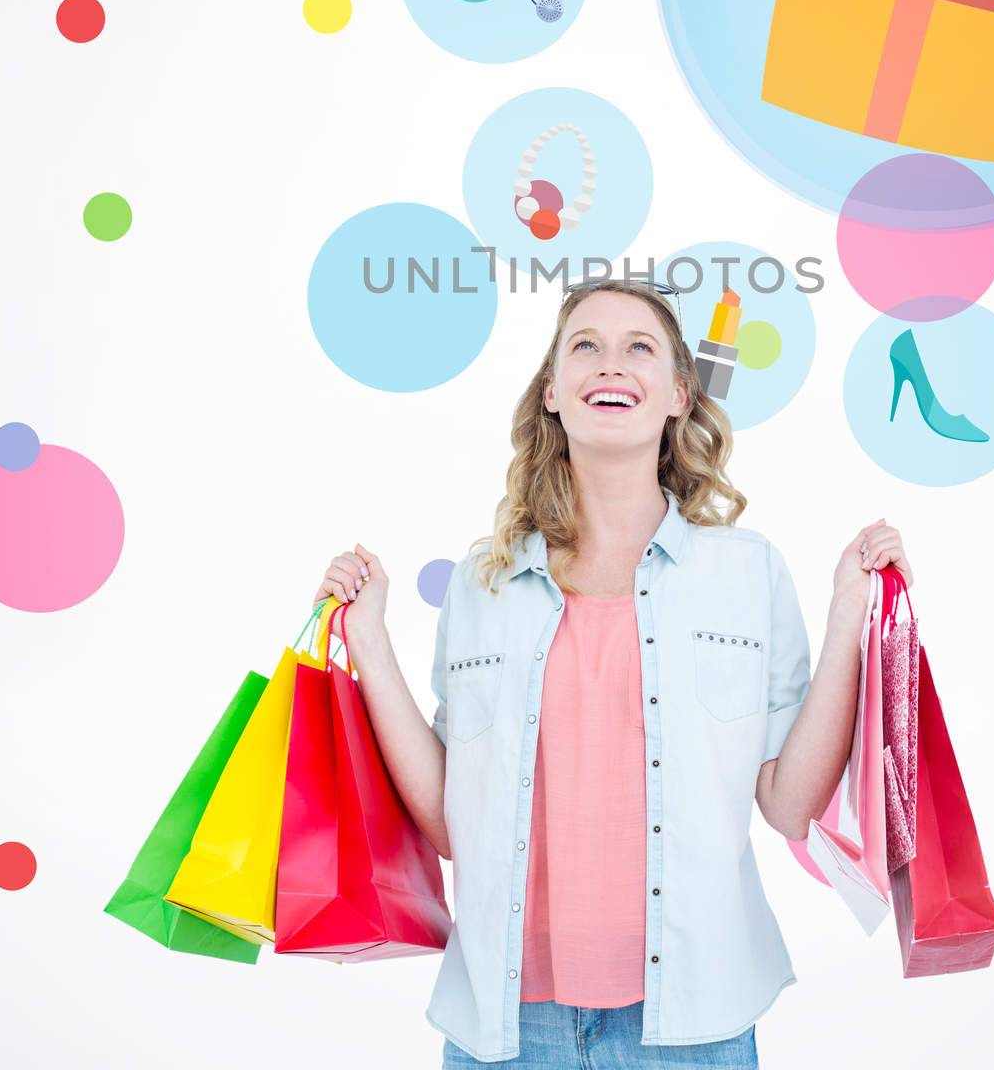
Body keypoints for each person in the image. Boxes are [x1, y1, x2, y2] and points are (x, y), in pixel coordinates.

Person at [314, 277, 914, 1067]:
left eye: (640, 348)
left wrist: (848, 622)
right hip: (505, 1027)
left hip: (693, 1024)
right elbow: (452, 822)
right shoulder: (482, 581)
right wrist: (371, 643)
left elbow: (790, 806)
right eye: (585, 346)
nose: (612, 364)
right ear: (553, 392)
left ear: (677, 394)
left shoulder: (747, 572)